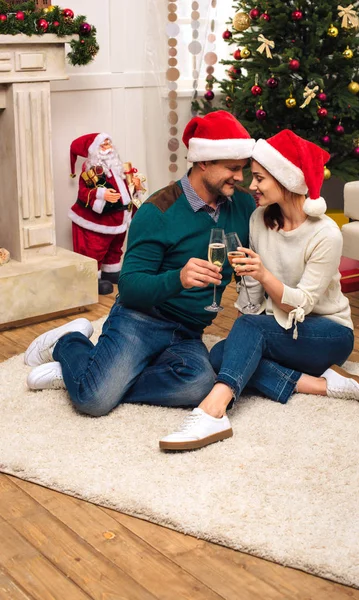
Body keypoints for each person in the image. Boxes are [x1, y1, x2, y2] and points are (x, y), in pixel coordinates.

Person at [24, 111, 256, 421]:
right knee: (94, 400)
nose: (240, 178)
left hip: (188, 331)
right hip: (141, 318)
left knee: (199, 384)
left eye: (243, 169)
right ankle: (69, 344)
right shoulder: (158, 211)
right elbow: (130, 287)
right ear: (203, 162)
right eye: (232, 168)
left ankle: (92, 372)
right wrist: (179, 278)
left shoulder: (242, 205)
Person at [160, 129, 359, 452]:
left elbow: (300, 304)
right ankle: (321, 385)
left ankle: (213, 410)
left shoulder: (326, 234)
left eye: (260, 178)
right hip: (283, 332)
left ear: (284, 180)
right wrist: (249, 287)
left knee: (242, 340)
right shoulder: (259, 220)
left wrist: (263, 275)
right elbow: (252, 302)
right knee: (221, 354)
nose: (251, 185)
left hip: (327, 333)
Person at [69, 132, 139, 295]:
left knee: (115, 247)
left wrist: (134, 186)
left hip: (117, 218)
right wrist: (102, 195)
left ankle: (111, 270)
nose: (108, 147)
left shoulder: (118, 167)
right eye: (104, 145)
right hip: (98, 221)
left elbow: (125, 190)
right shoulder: (90, 170)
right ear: (95, 150)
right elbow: (83, 192)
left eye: (109, 144)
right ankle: (92, 278)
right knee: (95, 249)